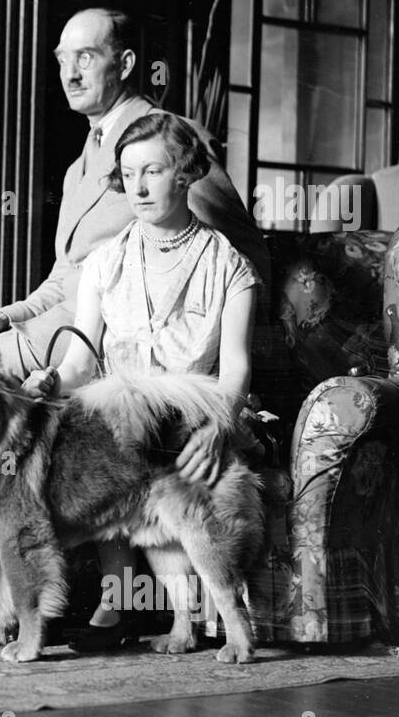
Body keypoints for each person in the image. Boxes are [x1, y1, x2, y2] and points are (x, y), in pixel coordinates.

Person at [0, 5, 269, 609]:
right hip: (68, 327)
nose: (71, 71)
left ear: (126, 63)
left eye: (88, 56)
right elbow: (62, 278)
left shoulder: (162, 138)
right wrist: (4, 316)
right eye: (63, 58)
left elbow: (227, 244)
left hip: (112, 343)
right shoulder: (83, 160)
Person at [21, 111, 260, 646]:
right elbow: (81, 362)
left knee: (186, 493)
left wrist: (218, 428)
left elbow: (237, 367)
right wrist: (50, 380)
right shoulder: (105, 262)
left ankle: (191, 616)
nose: (139, 187)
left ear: (186, 172)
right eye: (128, 175)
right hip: (125, 425)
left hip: (199, 416)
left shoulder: (230, 267)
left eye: (153, 171)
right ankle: (115, 605)